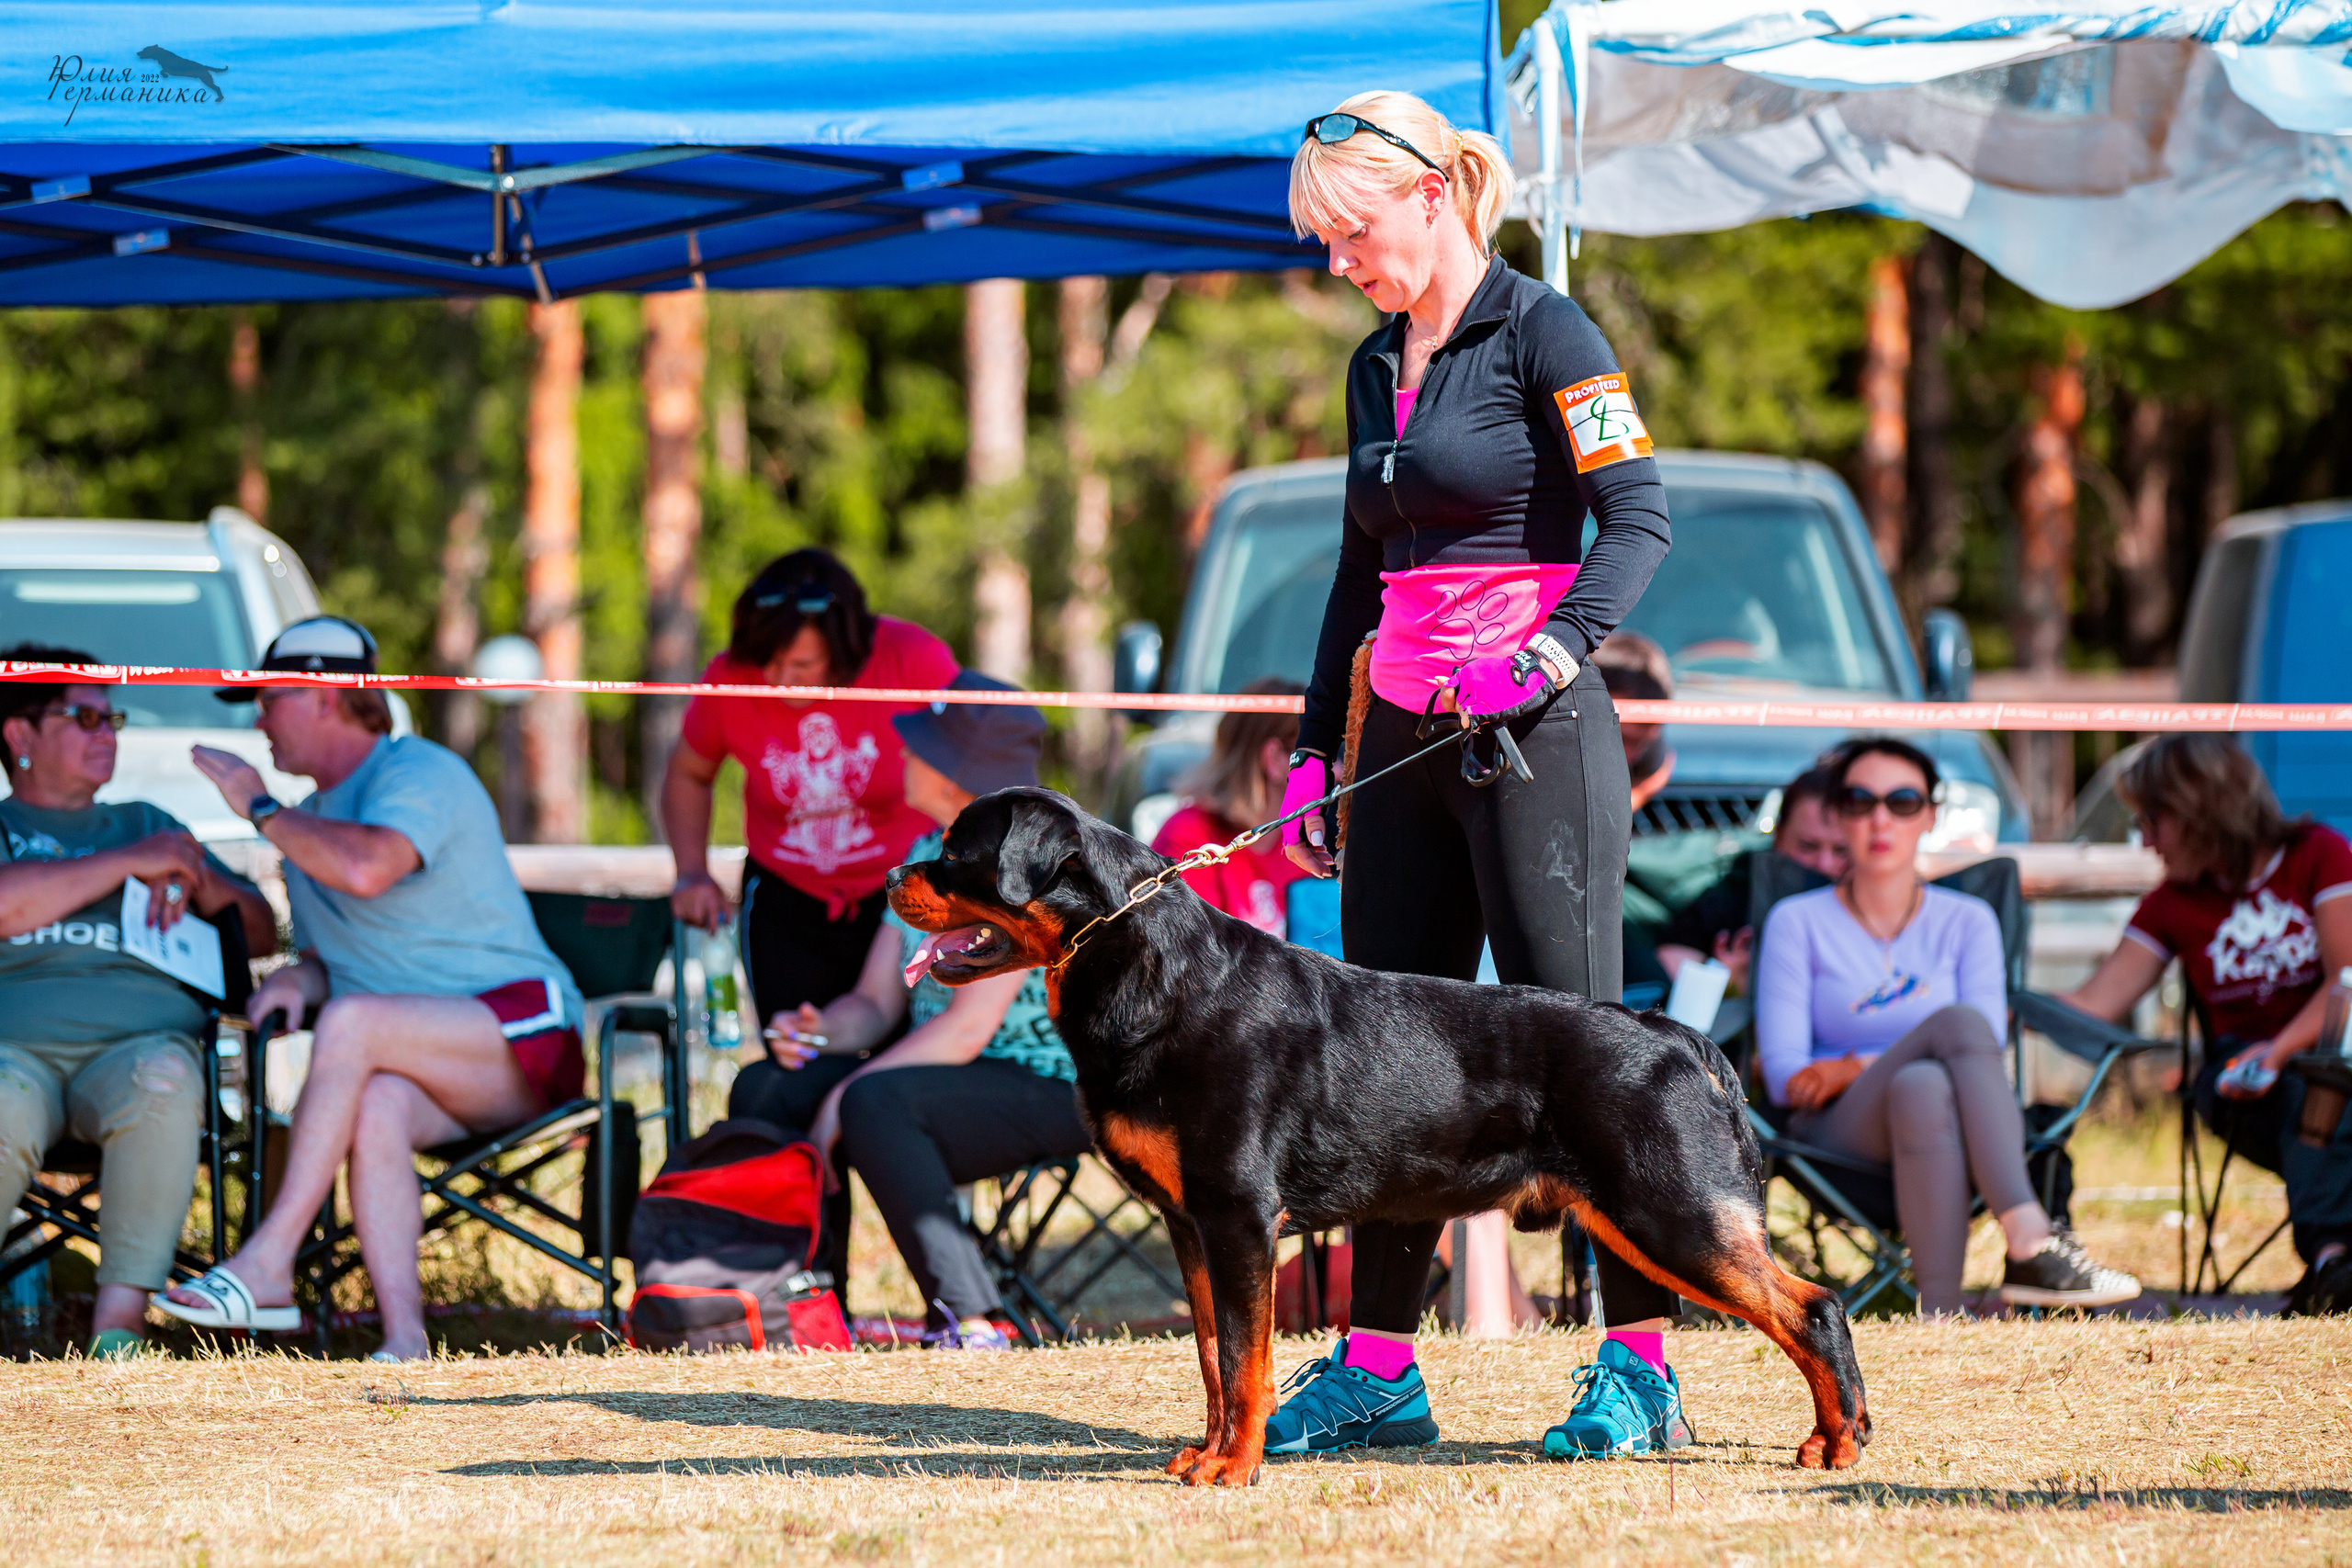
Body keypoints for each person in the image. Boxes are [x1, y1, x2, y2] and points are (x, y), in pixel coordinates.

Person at [1272, 89, 1681, 1461]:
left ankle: (1639, 1367)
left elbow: (1640, 518)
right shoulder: (1371, 366)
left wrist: (1549, 653)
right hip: (1398, 741)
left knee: (1582, 1056)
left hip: (1531, 739)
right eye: (1324, 241)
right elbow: (1357, 574)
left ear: (1433, 194)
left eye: (1353, 231)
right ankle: (1380, 1371)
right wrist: (1316, 747)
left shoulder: (1546, 331)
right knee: (1387, 1060)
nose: (1340, 260)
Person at [157, 617, 586, 1359]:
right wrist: (301, 974)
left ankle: (269, 1262)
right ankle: (406, 1339)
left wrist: (260, 806)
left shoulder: (418, 770)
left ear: (327, 696)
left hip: (525, 1033)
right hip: (412, 1052)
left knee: (353, 1024)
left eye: (270, 699)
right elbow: (341, 956)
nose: (258, 722)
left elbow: (368, 867)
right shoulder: (304, 825)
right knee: (378, 1101)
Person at [757, 672, 1088, 1349]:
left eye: (923, 746)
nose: (904, 753)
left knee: (870, 1102)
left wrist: (845, 1092)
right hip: (947, 1072)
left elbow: (967, 1029)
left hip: (1051, 1085)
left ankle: (972, 1319)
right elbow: (876, 1002)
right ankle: (806, 1306)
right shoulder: (925, 854)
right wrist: (818, 1032)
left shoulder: (1024, 864)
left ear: (952, 772)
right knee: (769, 1086)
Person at [1754, 737, 2140, 1314]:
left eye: (1902, 801)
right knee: (1955, 1025)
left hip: (1948, 1116)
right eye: (1860, 801)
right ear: (1837, 815)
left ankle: (1940, 1315)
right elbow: (1790, 1078)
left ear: (1930, 815)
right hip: (1834, 1133)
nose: (1880, 819)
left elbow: (1986, 1044)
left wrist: (1850, 1064)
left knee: (1924, 1083)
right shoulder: (1796, 921)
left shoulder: (1968, 920)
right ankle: (2029, 1237)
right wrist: (1859, 1074)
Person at [662, 548, 957, 1297]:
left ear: (849, 648)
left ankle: (946, 1279)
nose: (777, 680)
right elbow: (689, 773)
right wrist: (691, 870)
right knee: (794, 1072)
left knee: (900, 1078)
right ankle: (816, 1291)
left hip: (905, 900)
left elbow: (978, 762)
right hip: (789, 903)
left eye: (799, 665)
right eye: (765, 664)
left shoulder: (912, 658)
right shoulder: (730, 676)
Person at [0, 646, 275, 1358]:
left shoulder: (149, 821)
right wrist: (128, 863)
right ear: (19, 732)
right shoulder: (15, 828)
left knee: (166, 1079)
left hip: (138, 1048)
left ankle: (119, 1331)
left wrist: (200, 879)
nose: (108, 732)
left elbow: (258, 932)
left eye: (112, 717)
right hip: (12, 1051)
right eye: (84, 716)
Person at [2053, 734, 2352, 1314]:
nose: (2145, 841)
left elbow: (2348, 980)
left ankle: (2334, 1265)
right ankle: (2333, 1260)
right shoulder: (2173, 902)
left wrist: (2280, 1050)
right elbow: (2095, 1002)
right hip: (2242, 1080)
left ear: (2199, 810)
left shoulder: (2318, 855)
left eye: (2151, 821)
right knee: (2313, 1097)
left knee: (2326, 1086)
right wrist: (1999, 1006)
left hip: (2332, 1053)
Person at [1655, 763, 1849, 990]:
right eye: (1808, 846)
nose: (1824, 863)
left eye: (1841, 850)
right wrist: (1722, 983)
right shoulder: (1731, 895)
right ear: (1778, 835)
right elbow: (1668, 968)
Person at [1151, 678, 1309, 936]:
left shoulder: (1299, 845)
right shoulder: (1188, 838)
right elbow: (1187, 950)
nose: (1337, 771)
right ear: (1275, 759)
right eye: (1320, 755)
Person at [1590, 632, 1675, 810]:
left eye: (1643, 743)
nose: (1633, 755)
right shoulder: (1549, 746)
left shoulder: (1649, 754)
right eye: (1622, 739)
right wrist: (1643, 791)